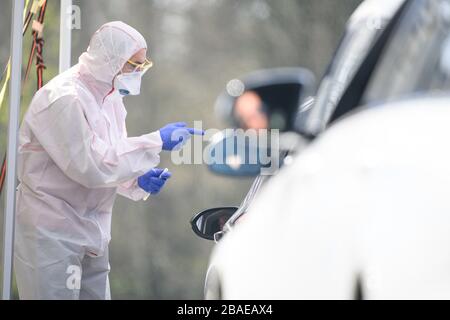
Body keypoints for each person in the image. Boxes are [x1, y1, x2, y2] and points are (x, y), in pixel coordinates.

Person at [14, 21, 203, 300]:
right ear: (110, 59)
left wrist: (135, 180)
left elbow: (110, 154)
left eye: (142, 65)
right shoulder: (64, 98)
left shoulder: (109, 97)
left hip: (92, 230)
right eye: (133, 65)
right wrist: (156, 141)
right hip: (51, 233)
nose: (138, 73)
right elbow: (92, 164)